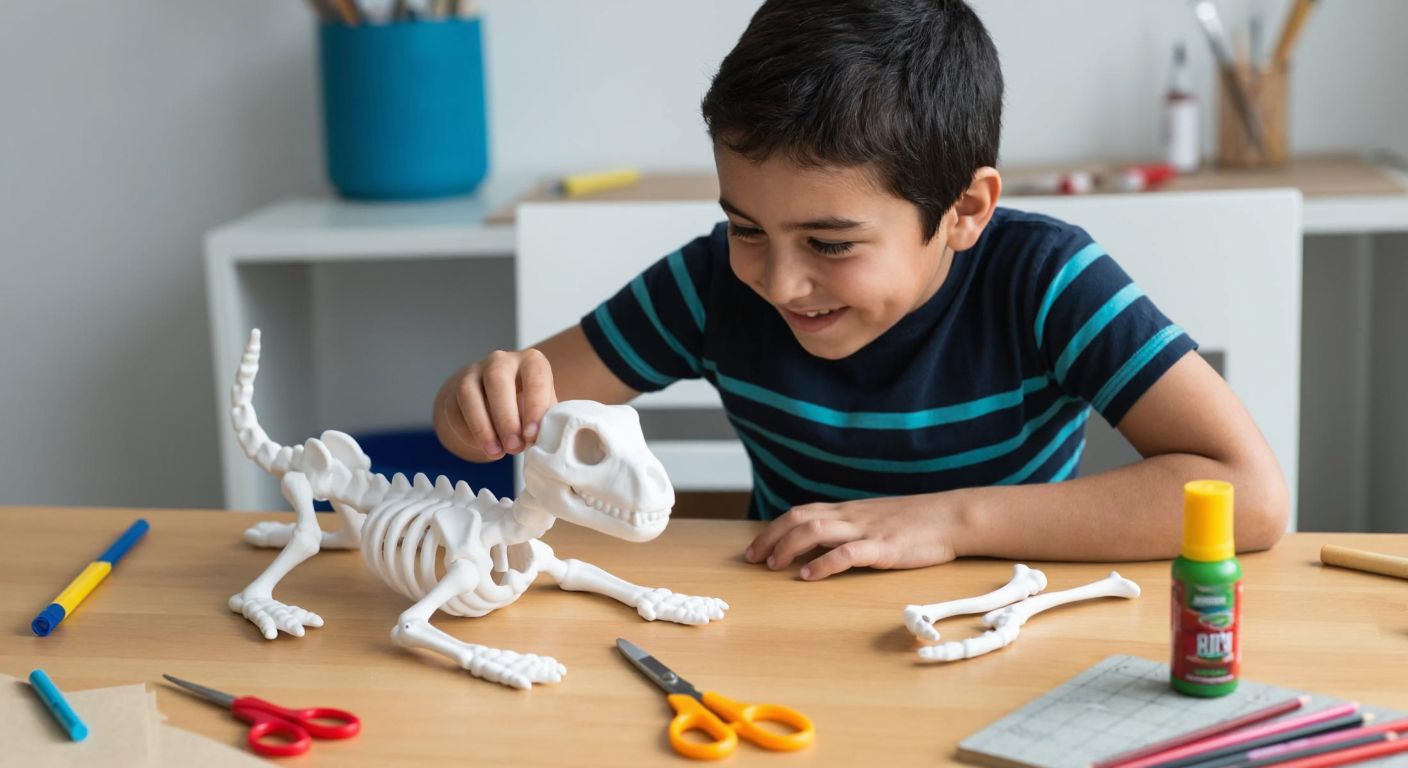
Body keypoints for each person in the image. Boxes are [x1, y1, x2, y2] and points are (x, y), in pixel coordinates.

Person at [433, 0, 1287, 581]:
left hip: (1014, 629)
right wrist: (478, 403)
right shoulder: (709, 285)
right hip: (788, 625)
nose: (779, 279)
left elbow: (1250, 494)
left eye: (831, 243)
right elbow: (514, 405)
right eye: (747, 227)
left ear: (964, 210)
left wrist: (948, 523)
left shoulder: (1045, 280)